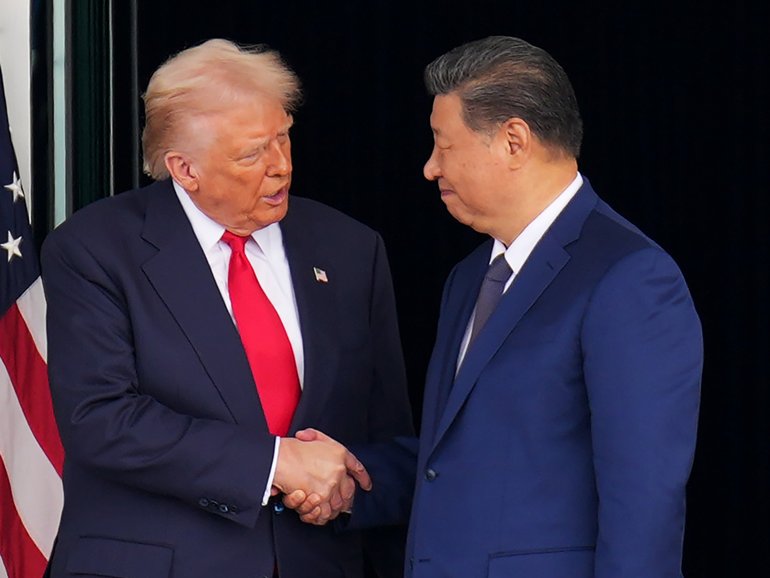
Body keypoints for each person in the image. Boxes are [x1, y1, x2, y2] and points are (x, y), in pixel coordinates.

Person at [291, 35, 703, 578]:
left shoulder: (628, 277)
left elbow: (644, 501)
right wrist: (355, 479)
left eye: (444, 144)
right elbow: (467, 456)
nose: (430, 168)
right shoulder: (469, 278)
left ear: (513, 141)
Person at [40, 39, 413, 578]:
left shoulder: (350, 248)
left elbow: (386, 430)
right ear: (183, 168)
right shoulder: (95, 248)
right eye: (252, 153)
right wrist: (274, 464)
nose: (281, 166)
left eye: (284, 137)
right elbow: (100, 418)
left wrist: (348, 491)